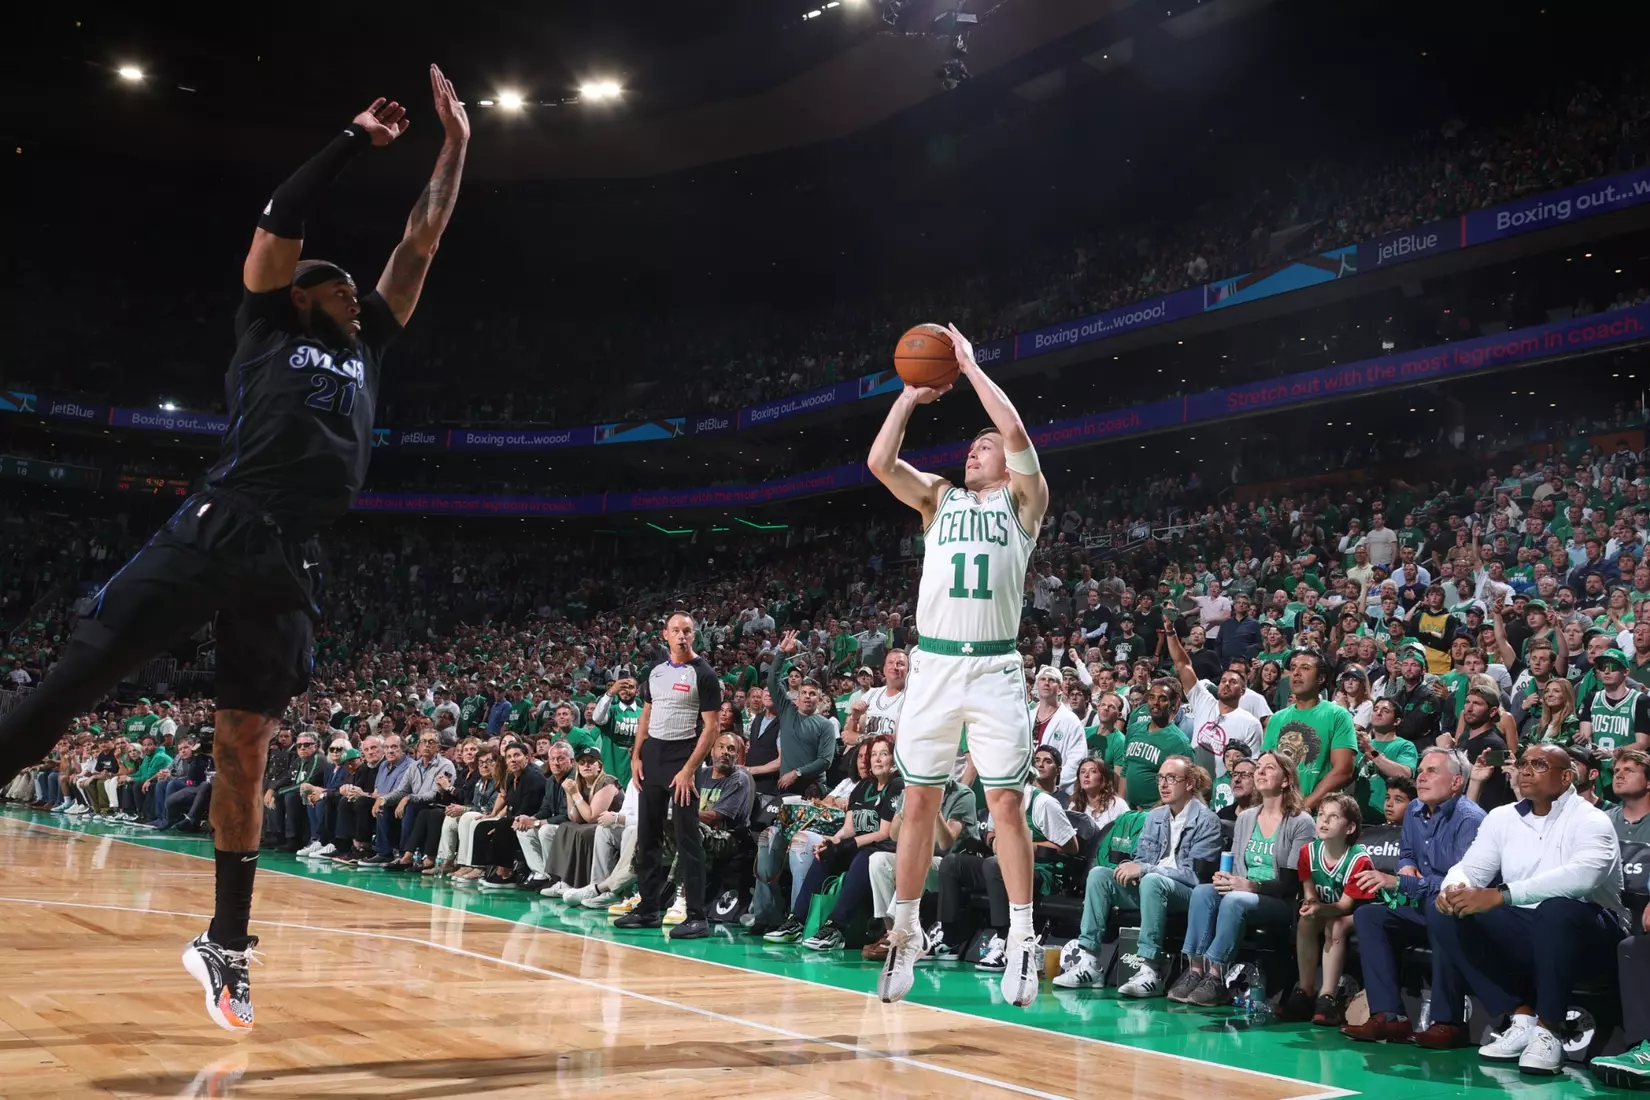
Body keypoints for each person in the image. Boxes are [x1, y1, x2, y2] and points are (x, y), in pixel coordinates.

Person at [0, 70, 469, 1032]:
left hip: (286, 554)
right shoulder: (266, 322)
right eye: (333, 279)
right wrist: (351, 139)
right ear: (301, 295)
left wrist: (457, 147)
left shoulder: (367, 341)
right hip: (220, 520)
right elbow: (280, 220)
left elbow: (419, 239)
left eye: (350, 281)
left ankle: (226, 940)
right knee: (79, 679)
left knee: (244, 744)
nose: (351, 285)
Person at [865, 323, 1050, 1007]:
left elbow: (1020, 435)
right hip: (935, 667)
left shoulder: (1024, 504)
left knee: (1005, 802)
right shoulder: (937, 499)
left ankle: (1025, 941)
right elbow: (881, 464)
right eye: (970, 445)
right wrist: (909, 398)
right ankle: (906, 933)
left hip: (996, 669)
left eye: (985, 446)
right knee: (918, 801)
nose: (975, 451)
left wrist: (970, 367)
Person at [1430, 744, 1629, 1074]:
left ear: (1566, 777)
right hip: (1531, 927)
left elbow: (1582, 879)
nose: (1525, 770)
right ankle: (1521, 1018)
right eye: (1522, 763)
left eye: (1539, 764)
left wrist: (1502, 895)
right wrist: (1452, 888)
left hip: (1593, 935)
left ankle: (1549, 1032)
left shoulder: (1591, 819)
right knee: (1445, 910)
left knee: (1557, 910)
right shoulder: (1502, 817)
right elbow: (1470, 867)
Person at [1053, 755, 1221, 993]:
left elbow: (1196, 877)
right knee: (1100, 875)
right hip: (1150, 887)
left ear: (1190, 783)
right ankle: (1090, 961)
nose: (1163, 784)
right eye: (1160, 778)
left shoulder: (1207, 821)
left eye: (1171, 778)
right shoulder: (1155, 817)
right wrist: (1132, 868)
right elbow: (1142, 859)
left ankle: (1151, 969)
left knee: (1152, 880)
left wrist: (1145, 869)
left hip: (1187, 894)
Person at [1172, 751, 1316, 1006]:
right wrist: (1226, 879)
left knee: (1234, 901)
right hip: (1244, 891)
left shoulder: (1301, 822)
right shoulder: (1247, 817)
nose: (1260, 772)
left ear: (1286, 780)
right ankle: (1195, 971)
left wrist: (1251, 886)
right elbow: (1238, 868)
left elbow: (1291, 883)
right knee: (1203, 892)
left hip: (1279, 901)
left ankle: (1216, 976)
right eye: (1258, 767)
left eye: (1269, 768)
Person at [616, 612, 722, 939]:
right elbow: (646, 715)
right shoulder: (657, 672)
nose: (681, 636)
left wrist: (689, 769)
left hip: (682, 758)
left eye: (687, 631)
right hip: (652, 758)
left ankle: (697, 916)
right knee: (647, 837)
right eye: (675, 630)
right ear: (665, 635)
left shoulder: (703, 673)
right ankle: (649, 908)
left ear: (694, 635)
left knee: (687, 838)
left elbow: (712, 727)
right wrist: (636, 755)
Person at [1283, 793, 1376, 1026]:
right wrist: (1310, 906)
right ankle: (1305, 992)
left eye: (1333, 817)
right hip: (1328, 908)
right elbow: (1310, 894)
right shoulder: (1308, 852)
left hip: (1361, 913)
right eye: (1321, 815)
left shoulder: (1359, 859)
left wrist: (1318, 908)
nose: (1323, 821)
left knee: (1336, 926)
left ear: (1350, 827)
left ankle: (1327, 998)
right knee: (1306, 922)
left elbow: (1345, 906)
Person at [1591, 748, 1650, 1088]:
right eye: (1617, 768)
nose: (1620, 773)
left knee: (1633, 947)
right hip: (1606, 913)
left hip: (1641, 919)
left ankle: (1641, 1049)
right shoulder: (1602, 820)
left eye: (1630, 769)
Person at [1167, 619, 1263, 786]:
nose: (1226, 683)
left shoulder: (1251, 724)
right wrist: (1170, 631)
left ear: (1242, 690)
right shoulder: (1204, 701)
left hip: (1224, 790)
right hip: (1193, 784)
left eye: (1233, 682)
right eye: (1223, 680)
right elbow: (1183, 664)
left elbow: (1251, 767)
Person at [1263, 650, 1356, 811]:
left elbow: (1343, 770)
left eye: (1305, 668)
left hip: (1319, 817)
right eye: (1293, 668)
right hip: (1277, 813)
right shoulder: (1276, 719)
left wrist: (1303, 807)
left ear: (1321, 678)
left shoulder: (1337, 715)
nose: (1296, 673)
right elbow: (1266, 767)